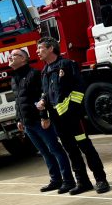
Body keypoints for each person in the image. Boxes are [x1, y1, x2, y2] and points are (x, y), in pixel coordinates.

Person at [36, 37, 110, 194]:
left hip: (74, 119)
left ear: (50, 49)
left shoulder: (67, 65)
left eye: (40, 48)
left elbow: (79, 89)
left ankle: (101, 180)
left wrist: (73, 112)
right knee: (71, 150)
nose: (38, 51)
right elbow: (46, 94)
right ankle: (83, 182)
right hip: (58, 121)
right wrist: (43, 111)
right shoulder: (45, 71)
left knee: (86, 148)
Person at [8, 48, 75, 194]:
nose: (10, 57)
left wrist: (44, 116)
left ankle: (68, 180)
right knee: (44, 152)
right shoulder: (14, 78)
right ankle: (56, 180)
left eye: (14, 55)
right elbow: (19, 100)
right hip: (27, 123)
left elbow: (43, 97)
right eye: (10, 55)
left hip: (40, 121)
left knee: (55, 150)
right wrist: (19, 119)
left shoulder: (34, 74)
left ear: (24, 59)